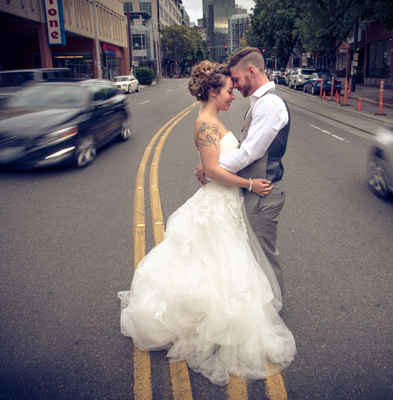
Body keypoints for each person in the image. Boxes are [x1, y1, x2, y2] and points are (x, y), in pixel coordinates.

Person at [118, 61, 296, 386]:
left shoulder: (213, 120)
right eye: (228, 90)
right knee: (216, 263)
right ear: (214, 92)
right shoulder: (205, 124)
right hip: (219, 200)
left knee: (224, 265)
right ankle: (211, 322)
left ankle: (223, 320)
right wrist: (250, 185)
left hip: (224, 200)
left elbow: (214, 164)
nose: (233, 95)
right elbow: (213, 171)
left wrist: (213, 168)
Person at [196, 47, 290, 294]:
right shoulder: (259, 102)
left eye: (236, 80)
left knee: (264, 256)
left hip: (264, 193)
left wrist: (211, 168)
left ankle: (274, 308)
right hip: (254, 191)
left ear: (251, 71)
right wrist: (211, 166)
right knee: (253, 254)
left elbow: (250, 152)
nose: (235, 86)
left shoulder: (270, 104)